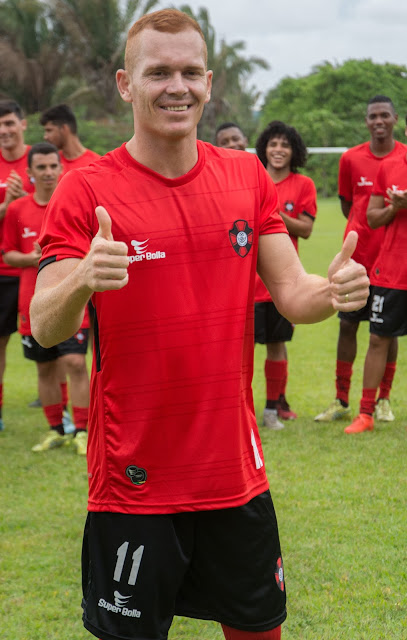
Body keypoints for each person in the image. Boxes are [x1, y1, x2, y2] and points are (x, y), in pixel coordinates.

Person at [30, 9, 369, 640]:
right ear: (126, 84)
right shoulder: (86, 190)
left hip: (233, 471)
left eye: (190, 72)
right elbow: (45, 325)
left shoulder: (245, 177)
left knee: (258, 630)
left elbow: (294, 294)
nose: (176, 87)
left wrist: (334, 291)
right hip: (133, 477)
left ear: (209, 83)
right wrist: (81, 278)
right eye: (158, 72)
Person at [315, 96, 406, 424]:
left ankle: (383, 400)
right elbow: (347, 205)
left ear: (395, 119)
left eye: (384, 115)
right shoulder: (350, 158)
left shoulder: (402, 157)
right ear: (366, 121)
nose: (379, 121)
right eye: (373, 116)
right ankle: (341, 399)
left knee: (386, 331)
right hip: (357, 259)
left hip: (393, 263)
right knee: (348, 324)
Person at [2, 142, 89, 455]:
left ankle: (82, 430)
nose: (49, 172)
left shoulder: (74, 204)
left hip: (73, 299)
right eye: (41, 167)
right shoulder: (17, 209)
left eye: (53, 166)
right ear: (30, 172)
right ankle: (56, 430)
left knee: (75, 362)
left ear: (61, 168)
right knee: (45, 368)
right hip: (32, 302)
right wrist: (33, 257)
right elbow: (8, 254)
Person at [344, 114, 407, 433]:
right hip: (393, 270)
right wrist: (395, 207)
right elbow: (371, 217)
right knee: (378, 338)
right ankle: (366, 413)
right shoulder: (390, 167)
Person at [254, 121, 317, 428]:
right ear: (264, 148)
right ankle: (238, 408)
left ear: (295, 152)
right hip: (245, 283)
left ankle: (272, 408)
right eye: (273, 144)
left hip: (280, 283)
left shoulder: (303, 185)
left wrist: (274, 214)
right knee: (237, 349)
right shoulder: (252, 178)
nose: (278, 150)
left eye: (285, 145)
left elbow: (305, 229)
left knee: (277, 345)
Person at [0, 99, 34, 431]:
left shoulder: (40, 160)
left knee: (53, 344)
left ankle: (61, 416)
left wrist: (25, 200)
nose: (4, 130)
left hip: (36, 269)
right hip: (2, 271)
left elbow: (53, 206)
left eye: (9, 123)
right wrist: (8, 205)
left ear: (23, 125)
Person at [40, 103, 100, 175]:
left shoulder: (96, 165)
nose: (45, 137)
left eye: (49, 130)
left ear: (64, 128)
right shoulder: (50, 164)